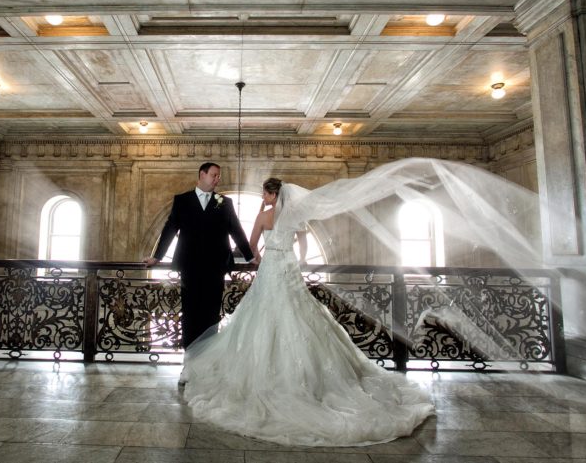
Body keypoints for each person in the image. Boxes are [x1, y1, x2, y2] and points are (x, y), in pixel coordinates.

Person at [180, 176, 435, 447]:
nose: (263, 198)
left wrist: (258, 256)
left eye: (264, 194)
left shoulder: (264, 217)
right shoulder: (295, 217)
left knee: (264, 314)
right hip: (289, 267)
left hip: (271, 267)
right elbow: (302, 247)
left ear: (271, 194)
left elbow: (253, 244)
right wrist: (297, 260)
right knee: (298, 312)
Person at [143, 162, 254, 352]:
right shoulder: (182, 200)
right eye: (214, 175)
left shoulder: (224, 202)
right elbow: (170, 229)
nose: (217, 179)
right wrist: (157, 257)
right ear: (202, 175)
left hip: (216, 267)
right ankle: (190, 358)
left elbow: (236, 230)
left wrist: (250, 257)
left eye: (218, 176)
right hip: (189, 267)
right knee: (190, 314)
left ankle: (207, 358)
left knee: (211, 315)